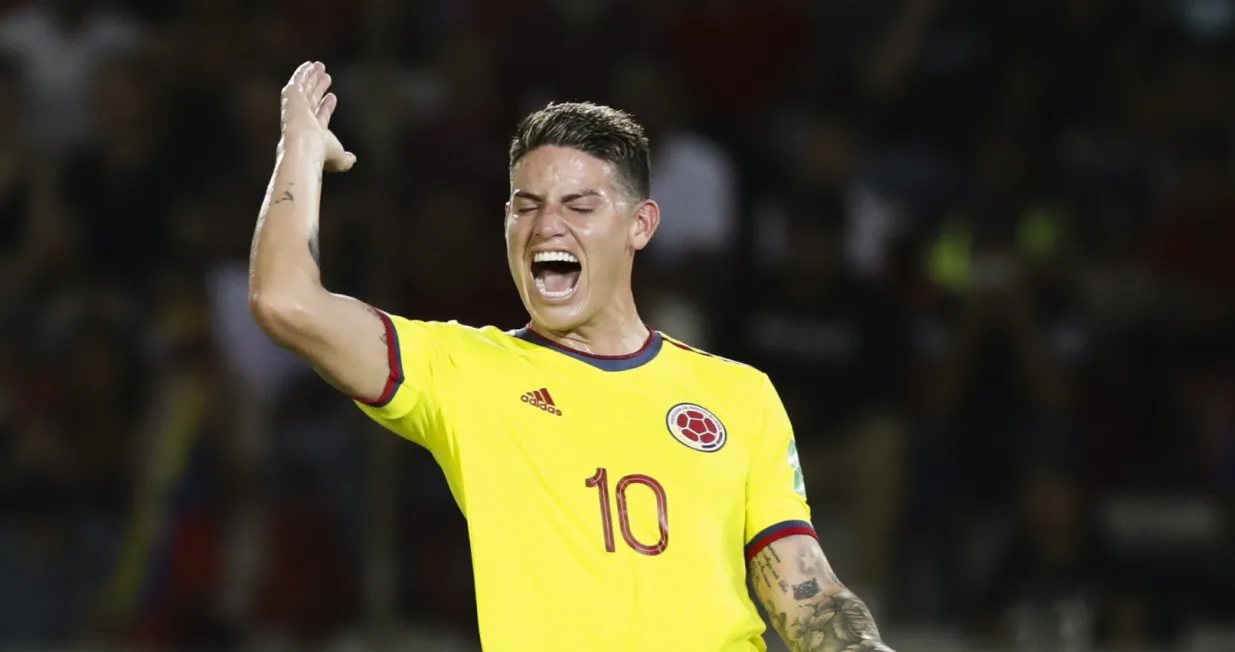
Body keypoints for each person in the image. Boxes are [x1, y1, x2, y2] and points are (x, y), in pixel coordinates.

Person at [249, 61, 896, 652]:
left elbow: (802, 588)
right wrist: (300, 152)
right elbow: (285, 301)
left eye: (578, 205)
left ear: (639, 225)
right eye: (525, 207)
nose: (546, 226)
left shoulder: (739, 395)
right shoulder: (466, 372)